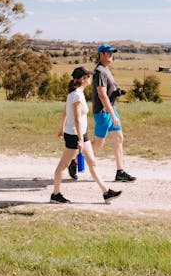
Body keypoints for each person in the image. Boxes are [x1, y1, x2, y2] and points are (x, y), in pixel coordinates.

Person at [50, 66, 122, 204]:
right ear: (83, 79)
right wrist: (79, 139)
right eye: (89, 76)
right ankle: (55, 194)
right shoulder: (76, 95)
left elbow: (65, 112)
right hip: (74, 135)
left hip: (81, 134)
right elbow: (76, 118)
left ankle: (106, 192)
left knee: (92, 162)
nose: (91, 78)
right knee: (62, 165)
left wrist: (61, 128)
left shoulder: (77, 93)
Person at [91, 44, 136, 182]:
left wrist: (116, 93)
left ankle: (120, 172)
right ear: (101, 54)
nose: (111, 55)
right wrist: (111, 114)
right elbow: (102, 95)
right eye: (109, 53)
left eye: (112, 53)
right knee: (98, 144)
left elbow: (108, 93)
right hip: (103, 113)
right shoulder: (99, 71)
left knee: (119, 138)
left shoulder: (106, 70)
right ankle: (75, 161)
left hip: (111, 110)